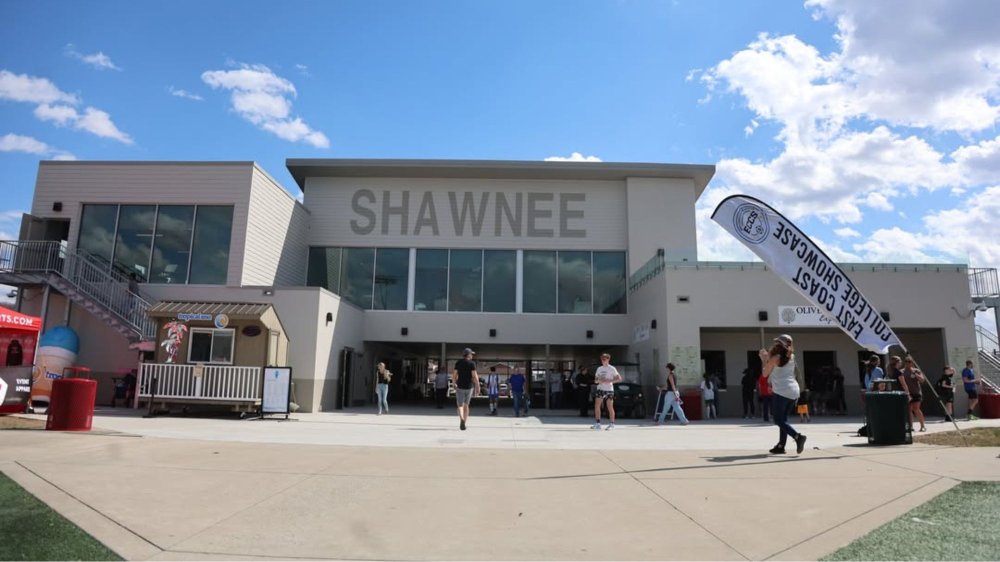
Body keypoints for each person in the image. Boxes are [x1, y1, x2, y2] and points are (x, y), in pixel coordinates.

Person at [759, 334, 807, 455]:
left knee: (778, 420)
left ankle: (798, 437)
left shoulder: (775, 358)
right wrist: (768, 358)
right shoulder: (791, 356)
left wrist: (764, 359)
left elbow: (765, 374)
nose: (775, 344)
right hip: (793, 391)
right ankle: (781, 445)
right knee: (783, 419)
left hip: (782, 391)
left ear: (781, 345)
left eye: (777, 343)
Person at [451, 348, 481, 430]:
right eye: (471, 354)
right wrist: (478, 386)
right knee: (466, 405)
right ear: (468, 355)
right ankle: (464, 422)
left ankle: (461, 419)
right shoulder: (472, 363)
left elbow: (454, 374)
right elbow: (474, 376)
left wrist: (454, 383)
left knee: (460, 405)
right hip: (469, 387)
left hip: (460, 386)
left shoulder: (458, 362)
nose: (472, 355)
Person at [591, 352, 622, 430]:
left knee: (610, 406)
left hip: (609, 390)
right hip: (600, 389)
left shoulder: (612, 368)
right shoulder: (599, 368)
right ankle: (598, 423)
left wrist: (610, 381)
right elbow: (595, 380)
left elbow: (619, 378)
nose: (603, 360)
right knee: (597, 405)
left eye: (604, 359)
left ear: (608, 359)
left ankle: (612, 424)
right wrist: (599, 381)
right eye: (602, 359)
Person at [900, 356, 926, 432]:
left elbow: (922, 380)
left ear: (912, 363)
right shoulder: (902, 371)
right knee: (909, 410)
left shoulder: (916, 370)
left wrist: (915, 374)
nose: (908, 363)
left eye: (910, 362)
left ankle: (922, 426)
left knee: (916, 409)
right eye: (906, 362)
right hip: (907, 393)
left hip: (916, 392)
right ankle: (911, 426)